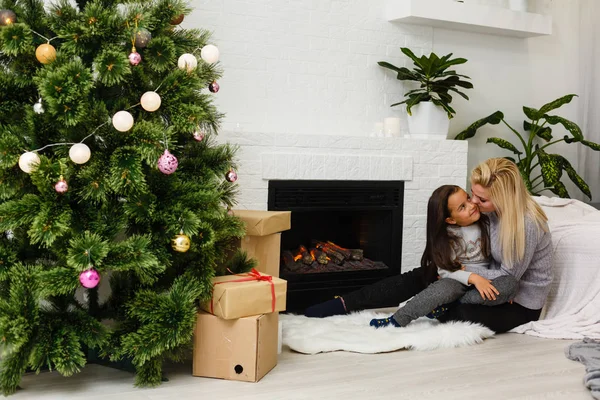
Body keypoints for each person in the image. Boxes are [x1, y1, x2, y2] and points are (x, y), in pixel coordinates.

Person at [304, 158, 553, 333]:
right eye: (472, 195)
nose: (474, 202)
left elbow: (510, 277)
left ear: (503, 197)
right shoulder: (490, 212)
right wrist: (460, 271)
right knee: (426, 273)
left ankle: (432, 305)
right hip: (481, 283)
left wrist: (465, 272)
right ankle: (343, 303)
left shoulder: (527, 223)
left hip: (517, 301)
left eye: (481, 199)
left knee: (462, 316)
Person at [368, 184, 518, 328]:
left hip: (484, 281)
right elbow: (445, 272)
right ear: (451, 219)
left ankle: (453, 303)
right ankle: (397, 320)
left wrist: (498, 288)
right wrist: (473, 278)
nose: (472, 205)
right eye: (462, 207)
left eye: (467, 198)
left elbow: (496, 258)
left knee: (511, 284)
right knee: (442, 290)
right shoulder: (448, 235)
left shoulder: (487, 223)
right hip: (458, 279)